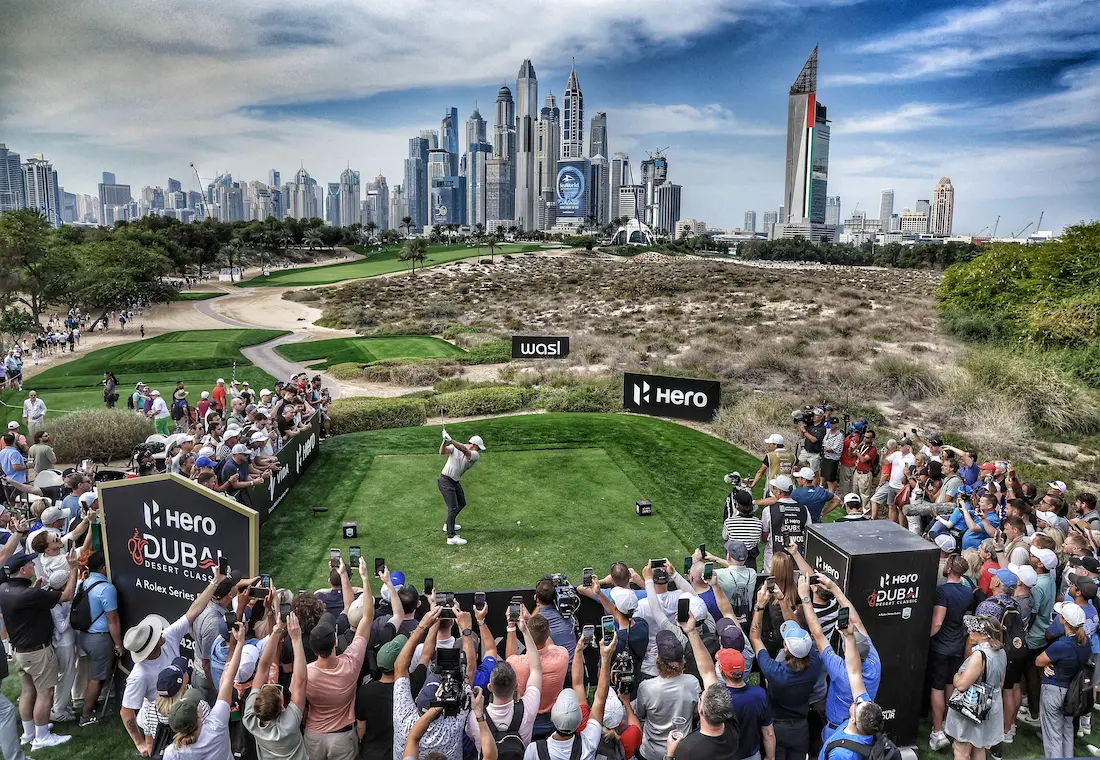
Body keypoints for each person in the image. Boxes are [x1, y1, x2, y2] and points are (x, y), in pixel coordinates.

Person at [121, 567, 228, 755]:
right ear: (152, 646)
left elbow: (194, 610)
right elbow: (126, 712)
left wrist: (215, 582)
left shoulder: (167, 636)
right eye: (156, 634)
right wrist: (140, 744)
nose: (161, 631)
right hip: (158, 722)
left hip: (181, 713)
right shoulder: (139, 675)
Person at [0, 549, 79, 749]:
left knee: (28, 691)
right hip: (38, 652)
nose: (34, 566)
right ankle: (42, 737)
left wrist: (34, 588)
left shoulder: (4, 589)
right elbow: (68, 595)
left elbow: (24, 603)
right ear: (23, 570)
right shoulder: (29, 595)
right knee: (45, 693)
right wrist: (73, 569)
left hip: (19, 651)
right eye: (30, 565)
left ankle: (28, 733)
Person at [303, 558, 375, 760]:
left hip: (313, 736)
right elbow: (367, 617)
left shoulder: (304, 673)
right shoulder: (351, 662)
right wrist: (365, 578)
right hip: (342, 737)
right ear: (335, 642)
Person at [798, 575, 881, 740]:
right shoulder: (874, 660)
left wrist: (805, 598)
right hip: (862, 729)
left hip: (837, 731)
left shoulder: (840, 669)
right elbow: (857, 622)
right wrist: (834, 589)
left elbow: (817, 634)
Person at [749, 582, 822, 760]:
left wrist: (760, 606)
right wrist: (781, 599)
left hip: (778, 729)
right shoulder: (815, 663)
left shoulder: (776, 672)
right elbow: (796, 628)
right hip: (800, 729)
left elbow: (755, 637)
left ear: (786, 649)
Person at [525, 630, 614, 760]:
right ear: (579, 722)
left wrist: (578, 650)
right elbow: (600, 699)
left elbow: (599, 698)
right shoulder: (589, 743)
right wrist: (605, 659)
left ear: (552, 718)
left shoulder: (534, 750)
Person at [163, 621, 245, 760]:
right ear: (199, 716)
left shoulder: (173, 752)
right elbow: (228, 679)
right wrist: (240, 642)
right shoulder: (216, 724)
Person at [470, 612, 542, 753]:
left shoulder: (476, 717)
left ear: (490, 687)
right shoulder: (529, 707)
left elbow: (471, 738)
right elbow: (536, 669)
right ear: (516, 686)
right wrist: (525, 631)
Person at [244, 612, 308, 760]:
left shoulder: (250, 719)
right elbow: (300, 681)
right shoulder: (289, 723)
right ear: (281, 706)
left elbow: (262, 669)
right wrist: (296, 639)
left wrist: (276, 632)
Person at [942, 615, 1007, 760]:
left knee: (961, 750)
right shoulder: (1001, 652)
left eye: (973, 630)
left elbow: (962, 685)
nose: (970, 632)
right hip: (990, 705)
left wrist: (956, 677)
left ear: (984, 635)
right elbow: (1001, 682)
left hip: (972, 706)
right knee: (979, 746)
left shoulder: (980, 655)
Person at [927, 554, 975, 750]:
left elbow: (937, 622)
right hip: (958, 645)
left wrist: (924, 638)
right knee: (950, 685)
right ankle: (948, 724)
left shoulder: (942, 591)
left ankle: (937, 732)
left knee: (937, 688)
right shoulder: (968, 591)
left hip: (941, 647)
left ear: (948, 569)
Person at [633, 628, 702, 760]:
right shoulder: (693, 682)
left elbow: (640, 715)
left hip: (651, 753)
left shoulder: (646, 687)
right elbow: (696, 713)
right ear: (682, 660)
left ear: (658, 659)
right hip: (682, 750)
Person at [1036, 602, 1092, 759]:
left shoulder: (1061, 645)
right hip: (1073, 692)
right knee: (1067, 732)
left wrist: (1048, 663)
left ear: (1063, 620)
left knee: (1053, 736)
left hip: (1055, 691)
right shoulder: (1086, 642)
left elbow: (1038, 661)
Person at [77, 550, 122, 727]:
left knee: (95, 675)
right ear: (104, 568)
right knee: (96, 678)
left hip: (85, 636)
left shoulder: (84, 583)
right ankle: (86, 716)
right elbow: (113, 620)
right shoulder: (106, 589)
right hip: (100, 639)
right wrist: (118, 644)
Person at [717, 647, 774, 760]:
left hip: (726, 755)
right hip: (752, 755)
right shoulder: (759, 694)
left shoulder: (719, 697)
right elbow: (768, 732)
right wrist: (770, 757)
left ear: (722, 671)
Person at [438, 430, 485, 546]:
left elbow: (464, 450)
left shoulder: (474, 455)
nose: (478, 450)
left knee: (461, 503)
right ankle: (451, 536)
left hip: (454, 482)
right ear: (474, 445)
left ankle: (448, 524)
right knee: (453, 508)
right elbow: (442, 452)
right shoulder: (455, 448)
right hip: (445, 480)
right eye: (478, 447)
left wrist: (451, 440)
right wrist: (444, 441)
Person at [870, 438, 914, 521]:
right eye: (899, 444)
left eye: (902, 445)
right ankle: (891, 525)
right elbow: (883, 463)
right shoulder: (896, 454)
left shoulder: (912, 458)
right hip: (892, 485)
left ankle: (901, 528)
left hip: (902, 487)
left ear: (908, 447)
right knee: (891, 506)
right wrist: (883, 454)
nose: (899, 446)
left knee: (901, 509)